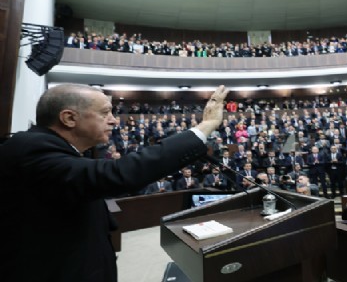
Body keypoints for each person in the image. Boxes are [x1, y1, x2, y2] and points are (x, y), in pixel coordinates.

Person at [0, 83, 229, 282]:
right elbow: (120, 174)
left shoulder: (61, 150)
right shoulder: (31, 150)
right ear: (69, 118)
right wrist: (205, 126)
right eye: (105, 113)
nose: (113, 120)